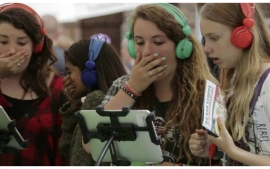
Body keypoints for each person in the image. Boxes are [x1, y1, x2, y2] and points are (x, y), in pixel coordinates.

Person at [83, 3, 218, 166]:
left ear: (182, 47)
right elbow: (91, 145)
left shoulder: (207, 93)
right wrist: (132, 88)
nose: (147, 51)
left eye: (158, 42)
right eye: (139, 42)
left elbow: (222, 158)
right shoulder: (122, 85)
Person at [0, 3, 66, 166]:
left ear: (36, 46)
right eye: (3, 41)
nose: (12, 51)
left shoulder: (56, 87)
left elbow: (63, 151)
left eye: (21, 43)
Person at [189, 3, 270, 166]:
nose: (206, 48)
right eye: (205, 39)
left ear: (243, 35)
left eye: (214, 38)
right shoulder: (233, 81)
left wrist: (232, 150)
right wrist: (217, 150)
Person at [58, 39, 127, 166]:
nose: (66, 79)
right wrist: (74, 106)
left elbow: (79, 161)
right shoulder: (118, 98)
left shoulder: (95, 99)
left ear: (89, 73)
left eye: (69, 72)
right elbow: (70, 151)